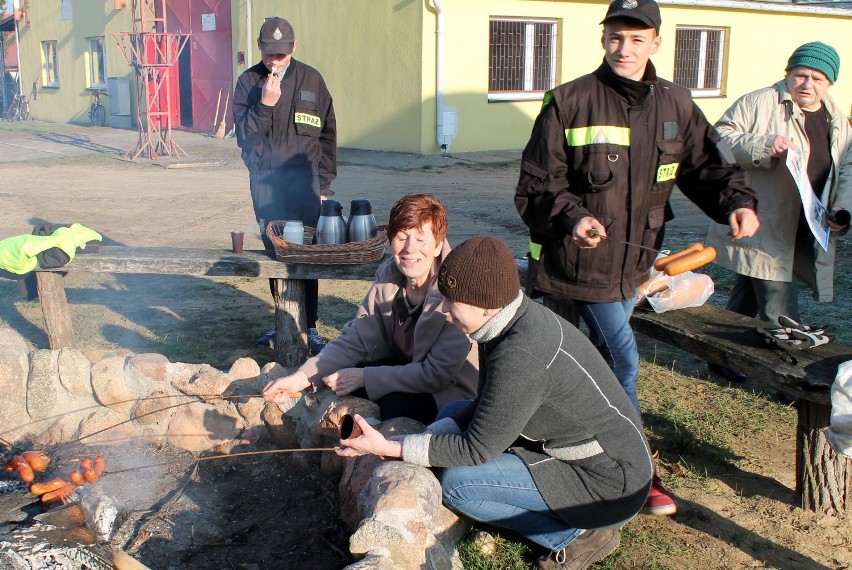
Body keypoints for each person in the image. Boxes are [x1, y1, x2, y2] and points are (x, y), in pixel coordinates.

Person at [513, 0, 760, 517]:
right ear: (603, 39)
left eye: (635, 38)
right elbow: (538, 183)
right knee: (620, 363)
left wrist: (737, 202)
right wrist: (572, 217)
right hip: (574, 267)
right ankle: (635, 473)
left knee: (586, 366)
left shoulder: (676, 103)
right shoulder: (569, 100)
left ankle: (576, 451)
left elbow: (708, 165)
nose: (623, 49)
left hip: (635, 266)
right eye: (614, 37)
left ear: (656, 43)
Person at [336, 236, 653, 570]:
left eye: (451, 300)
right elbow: (484, 405)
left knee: (460, 486)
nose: (443, 308)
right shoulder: (507, 322)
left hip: (610, 483)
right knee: (452, 413)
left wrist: (398, 448)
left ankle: (579, 533)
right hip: (591, 455)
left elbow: (476, 450)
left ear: (484, 305)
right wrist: (407, 442)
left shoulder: (521, 355)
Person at [263, 195, 478, 425]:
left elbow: (435, 375)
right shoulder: (389, 276)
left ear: (437, 245)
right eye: (401, 237)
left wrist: (365, 377)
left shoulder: (456, 291)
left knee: (391, 405)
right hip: (406, 370)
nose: (409, 249)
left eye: (420, 239)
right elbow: (355, 340)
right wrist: (300, 378)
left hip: (450, 392)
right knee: (340, 378)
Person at [706, 42, 852, 331]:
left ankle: (722, 355)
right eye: (800, 75)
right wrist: (763, 145)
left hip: (805, 224)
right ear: (788, 73)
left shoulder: (837, 118)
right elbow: (716, 141)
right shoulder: (759, 102)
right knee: (780, 310)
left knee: (748, 292)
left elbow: (848, 166)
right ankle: (788, 370)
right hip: (764, 223)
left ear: (829, 82)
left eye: (817, 78)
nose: (808, 84)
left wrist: (843, 208)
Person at [233, 16, 337, 355]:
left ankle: (310, 326)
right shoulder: (248, 83)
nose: (275, 61)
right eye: (269, 54)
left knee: (305, 256)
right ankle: (282, 322)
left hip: (304, 187)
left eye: (281, 54)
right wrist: (264, 105)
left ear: (293, 47)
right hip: (266, 185)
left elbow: (327, 136)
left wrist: (324, 185)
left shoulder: (312, 80)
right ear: (260, 48)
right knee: (275, 254)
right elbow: (245, 139)